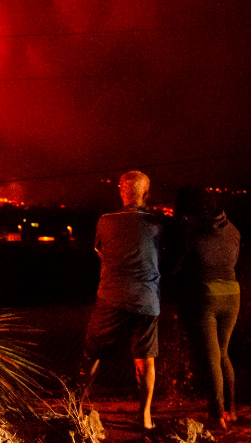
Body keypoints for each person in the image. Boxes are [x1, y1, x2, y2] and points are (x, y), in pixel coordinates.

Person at [80, 170, 163, 430]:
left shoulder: (105, 221)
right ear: (146, 194)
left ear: (121, 193)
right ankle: (145, 416)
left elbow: (100, 252)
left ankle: (77, 404)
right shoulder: (157, 223)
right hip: (146, 298)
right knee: (145, 358)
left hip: (111, 295)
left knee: (92, 352)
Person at [174, 186, 240, 431]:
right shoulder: (233, 229)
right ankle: (230, 411)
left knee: (210, 358)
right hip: (232, 293)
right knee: (223, 353)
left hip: (205, 294)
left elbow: (176, 266)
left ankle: (216, 415)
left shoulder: (192, 232)